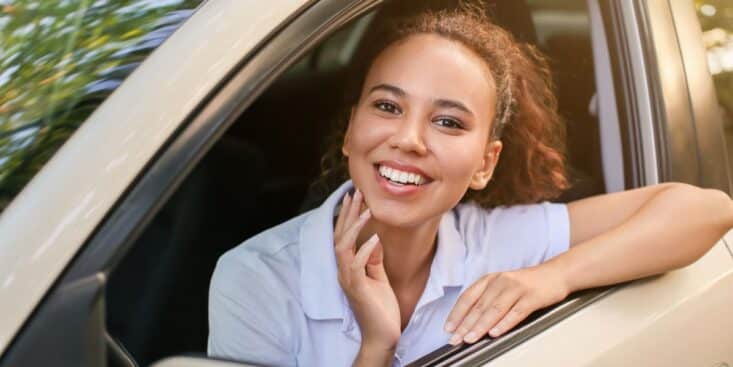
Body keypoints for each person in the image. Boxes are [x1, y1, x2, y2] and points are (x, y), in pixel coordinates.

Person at [207, 3, 733, 367]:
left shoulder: (498, 241)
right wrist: (377, 346)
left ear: (485, 164)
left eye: (449, 122)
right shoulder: (254, 281)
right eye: (388, 106)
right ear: (350, 131)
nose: (409, 139)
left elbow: (705, 209)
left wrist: (554, 276)